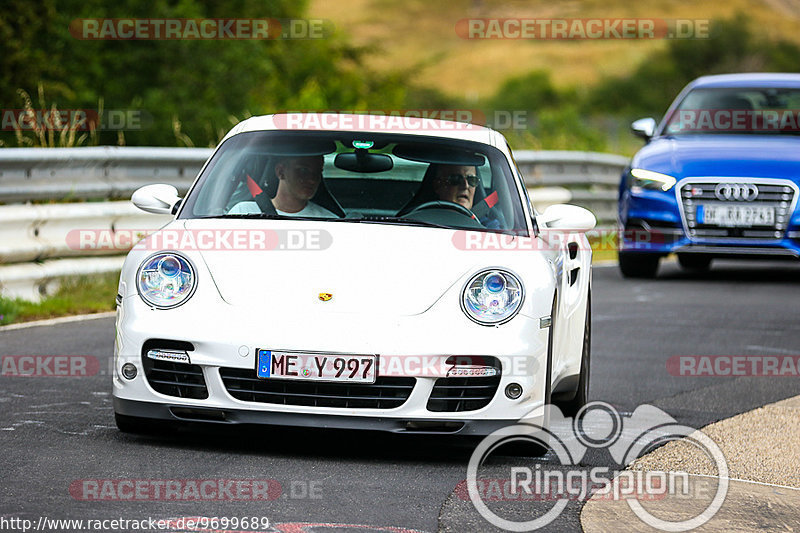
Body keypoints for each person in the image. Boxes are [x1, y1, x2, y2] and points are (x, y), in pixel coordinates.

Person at [271, 155, 337, 217]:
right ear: (280, 172)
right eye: (303, 170)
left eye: (318, 172)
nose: (312, 180)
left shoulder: (328, 221)